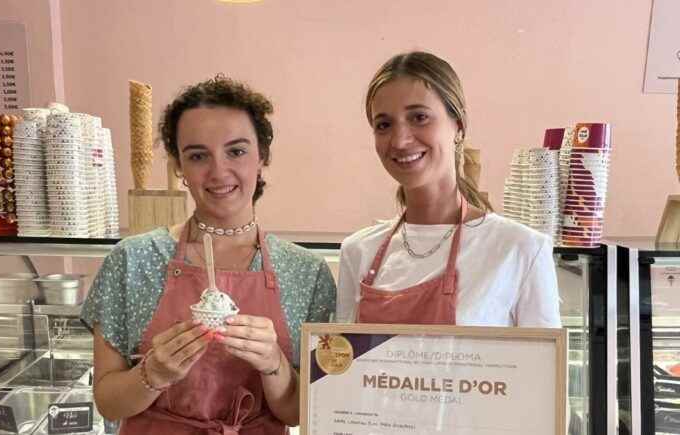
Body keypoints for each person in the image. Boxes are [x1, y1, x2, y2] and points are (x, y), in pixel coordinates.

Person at [81, 75, 336, 434]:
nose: (219, 172)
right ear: (178, 166)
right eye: (198, 155)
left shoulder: (306, 273)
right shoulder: (133, 261)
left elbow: (298, 412)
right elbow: (108, 401)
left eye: (236, 151)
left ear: (262, 155)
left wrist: (273, 363)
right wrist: (153, 374)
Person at [336, 51, 560, 327]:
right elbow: (343, 365)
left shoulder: (521, 249)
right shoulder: (357, 251)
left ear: (459, 126)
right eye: (384, 125)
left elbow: (542, 368)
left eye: (419, 117)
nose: (400, 140)